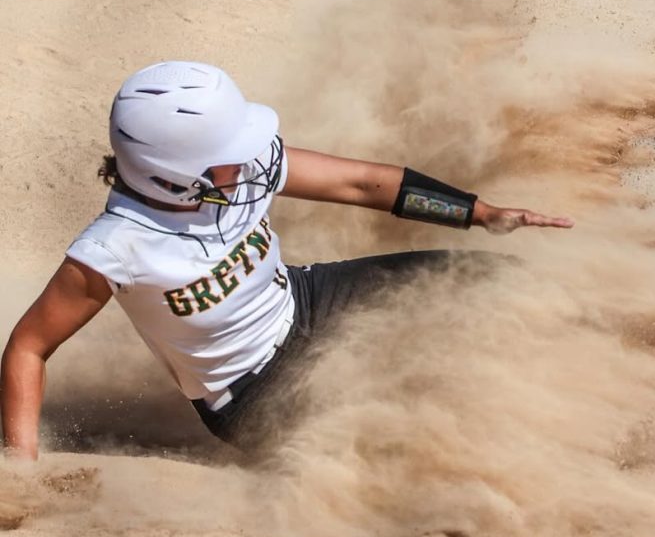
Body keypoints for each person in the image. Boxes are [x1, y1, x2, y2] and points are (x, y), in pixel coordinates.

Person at [1, 61, 573, 460]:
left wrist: (479, 213)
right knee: (424, 422)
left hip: (308, 302)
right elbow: (29, 348)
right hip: (253, 398)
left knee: (501, 284)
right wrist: (21, 472)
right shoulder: (115, 248)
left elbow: (362, 184)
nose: (250, 160)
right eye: (229, 155)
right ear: (171, 174)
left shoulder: (237, 170)